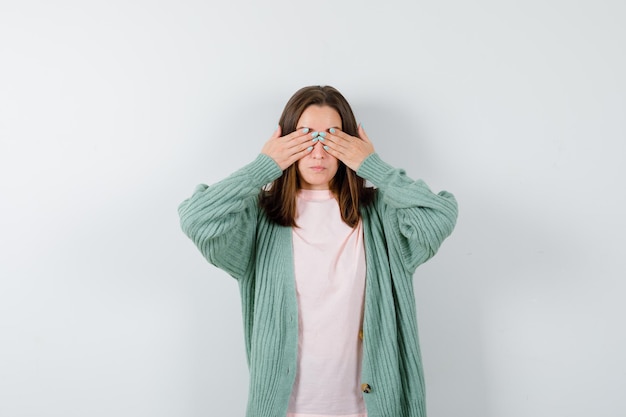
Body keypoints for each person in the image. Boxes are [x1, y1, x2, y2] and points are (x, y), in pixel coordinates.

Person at [178, 85, 458, 417]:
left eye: (332, 138)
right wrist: (262, 168)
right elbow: (197, 218)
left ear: (351, 144)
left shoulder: (382, 215)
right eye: (306, 137)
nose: (318, 152)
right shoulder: (258, 219)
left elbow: (438, 216)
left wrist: (374, 167)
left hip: (369, 407)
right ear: (284, 143)